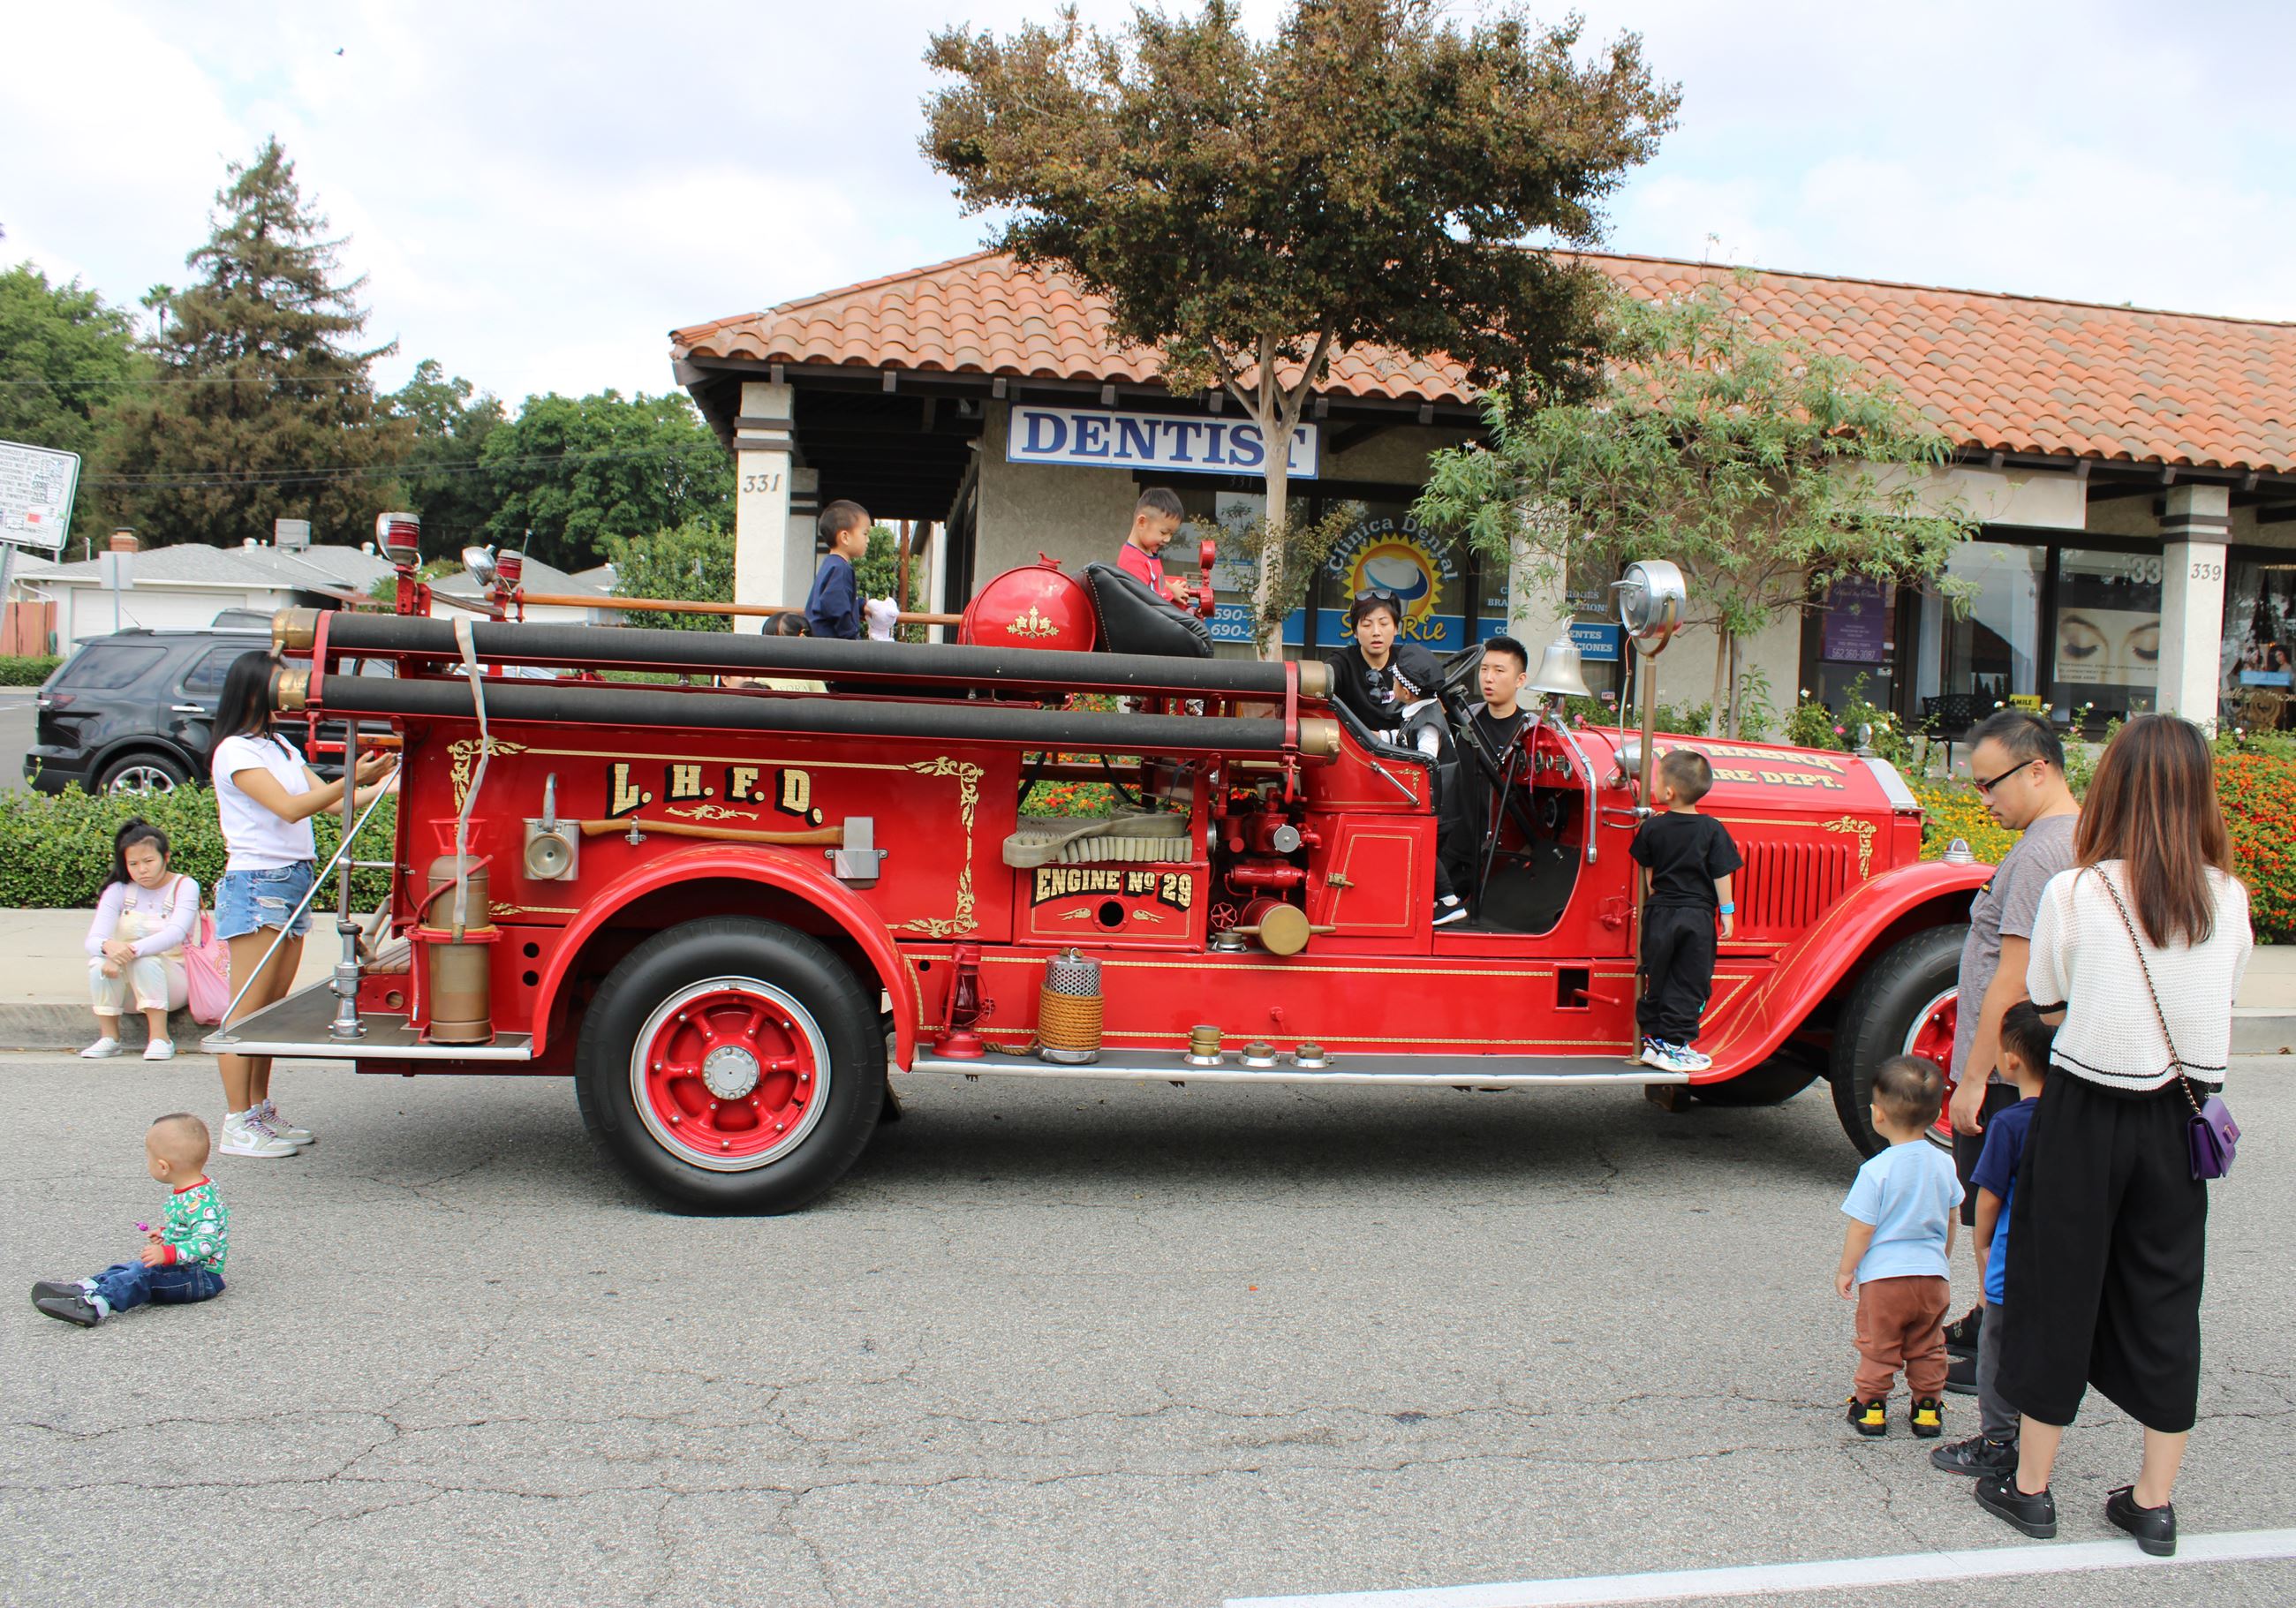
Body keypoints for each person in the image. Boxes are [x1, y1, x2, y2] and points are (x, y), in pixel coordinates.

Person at [1979, 715, 2254, 1558]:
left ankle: (2030, 1489)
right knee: (2169, 1300)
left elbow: (2050, 999)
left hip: (2087, 1111)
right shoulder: (2230, 898)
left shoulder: (2079, 891)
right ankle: (2154, 1503)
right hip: (2180, 1118)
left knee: (2057, 1286)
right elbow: (2224, 999)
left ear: (2117, 787)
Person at [209, 651, 394, 1160]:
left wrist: (376, 777)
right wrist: (353, 779)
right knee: (244, 1011)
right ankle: (235, 1121)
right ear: (251, 692)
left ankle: (259, 1112)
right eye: (277, 685)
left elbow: (334, 803)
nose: (287, 694)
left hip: (290, 880)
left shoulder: (280, 747)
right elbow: (291, 810)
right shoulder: (234, 751)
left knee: (267, 1011)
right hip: (257, 882)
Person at [1942, 709, 2079, 1376]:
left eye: (1990, 784)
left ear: (2038, 769)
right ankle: (1991, 1323)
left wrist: (1972, 1078)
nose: (1984, 799)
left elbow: (2013, 975)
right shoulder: (2074, 838)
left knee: (1990, 1211)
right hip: (2027, 1060)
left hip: (2005, 1066)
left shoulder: (2041, 852)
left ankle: (1996, 1344)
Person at [1930, 1000, 2051, 1480]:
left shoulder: (2009, 1123)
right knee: (2040, 1347)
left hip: (2011, 1260)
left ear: (2012, 1061)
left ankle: (1998, 1438)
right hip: (2060, 1262)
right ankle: (2036, 1432)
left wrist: (1983, 1244)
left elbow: (1989, 1199)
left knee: (1996, 1348)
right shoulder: (2074, 1119)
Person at [1838, 1056, 1962, 1438]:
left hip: (1885, 1279)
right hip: (1931, 1275)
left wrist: (1847, 1270)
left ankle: (1871, 1406)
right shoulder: (1945, 1164)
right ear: (1936, 1112)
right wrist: (1940, 1257)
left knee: (1879, 1344)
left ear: (1878, 1115)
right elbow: (1951, 1218)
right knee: (1927, 1344)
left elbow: (1862, 1228)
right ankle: (1927, 1407)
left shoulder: (1877, 1170)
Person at [1324, 589, 1464, 925]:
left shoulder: (1411, 663)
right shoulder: (1341, 664)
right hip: (1356, 770)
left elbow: (1435, 716)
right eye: (1366, 623)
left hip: (1404, 773)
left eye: (1384, 623)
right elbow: (1321, 687)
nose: (1375, 631)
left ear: (1396, 628)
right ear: (1354, 629)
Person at [31, 1114, 228, 1326]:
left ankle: (94, 1305)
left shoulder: (199, 1200)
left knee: (142, 1274)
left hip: (199, 1278)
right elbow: (195, 1227)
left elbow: (206, 1243)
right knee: (129, 1269)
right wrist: (167, 1233)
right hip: (187, 1270)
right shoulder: (196, 1188)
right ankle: (86, 1288)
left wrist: (168, 1252)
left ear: (163, 1166)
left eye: (149, 1157)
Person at [1630, 748, 1741, 1073]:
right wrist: (1727, 911)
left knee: (1658, 975)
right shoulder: (1712, 830)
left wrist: (1657, 898)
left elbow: (1648, 874)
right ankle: (1675, 1046)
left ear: (1669, 792)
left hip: (1660, 911)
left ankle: (1656, 1042)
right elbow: (1722, 873)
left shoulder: (1652, 828)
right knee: (1689, 980)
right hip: (1694, 916)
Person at [81, 819, 199, 1062]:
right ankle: (110, 1038)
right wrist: (108, 947)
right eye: (133, 864)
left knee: (144, 960)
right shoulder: (118, 890)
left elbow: (175, 934)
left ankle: (160, 1038)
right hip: (128, 989)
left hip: (173, 982)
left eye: (148, 861)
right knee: (97, 961)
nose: (142, 870)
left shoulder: (184, 886)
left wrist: (128, 952)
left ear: (165, 857)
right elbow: (93, 939)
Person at [1114, 487, 1195, 607]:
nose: (1168, 539)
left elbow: (1158, 580)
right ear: (1142, 522)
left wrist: (1172, 589)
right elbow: (1139, 603)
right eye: (1163, 532)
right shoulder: (1133, 562)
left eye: (1171, 534)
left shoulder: (1148, 552)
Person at [804, 500, 872, 640]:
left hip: (821, 640)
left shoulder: (830, 564)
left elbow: (837, 599)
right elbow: (835, 605)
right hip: (833, 645)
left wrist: (861, 606)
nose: (868, 540)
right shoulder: (841, 568)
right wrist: (852, 637)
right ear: (845, 537)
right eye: (865, 533)